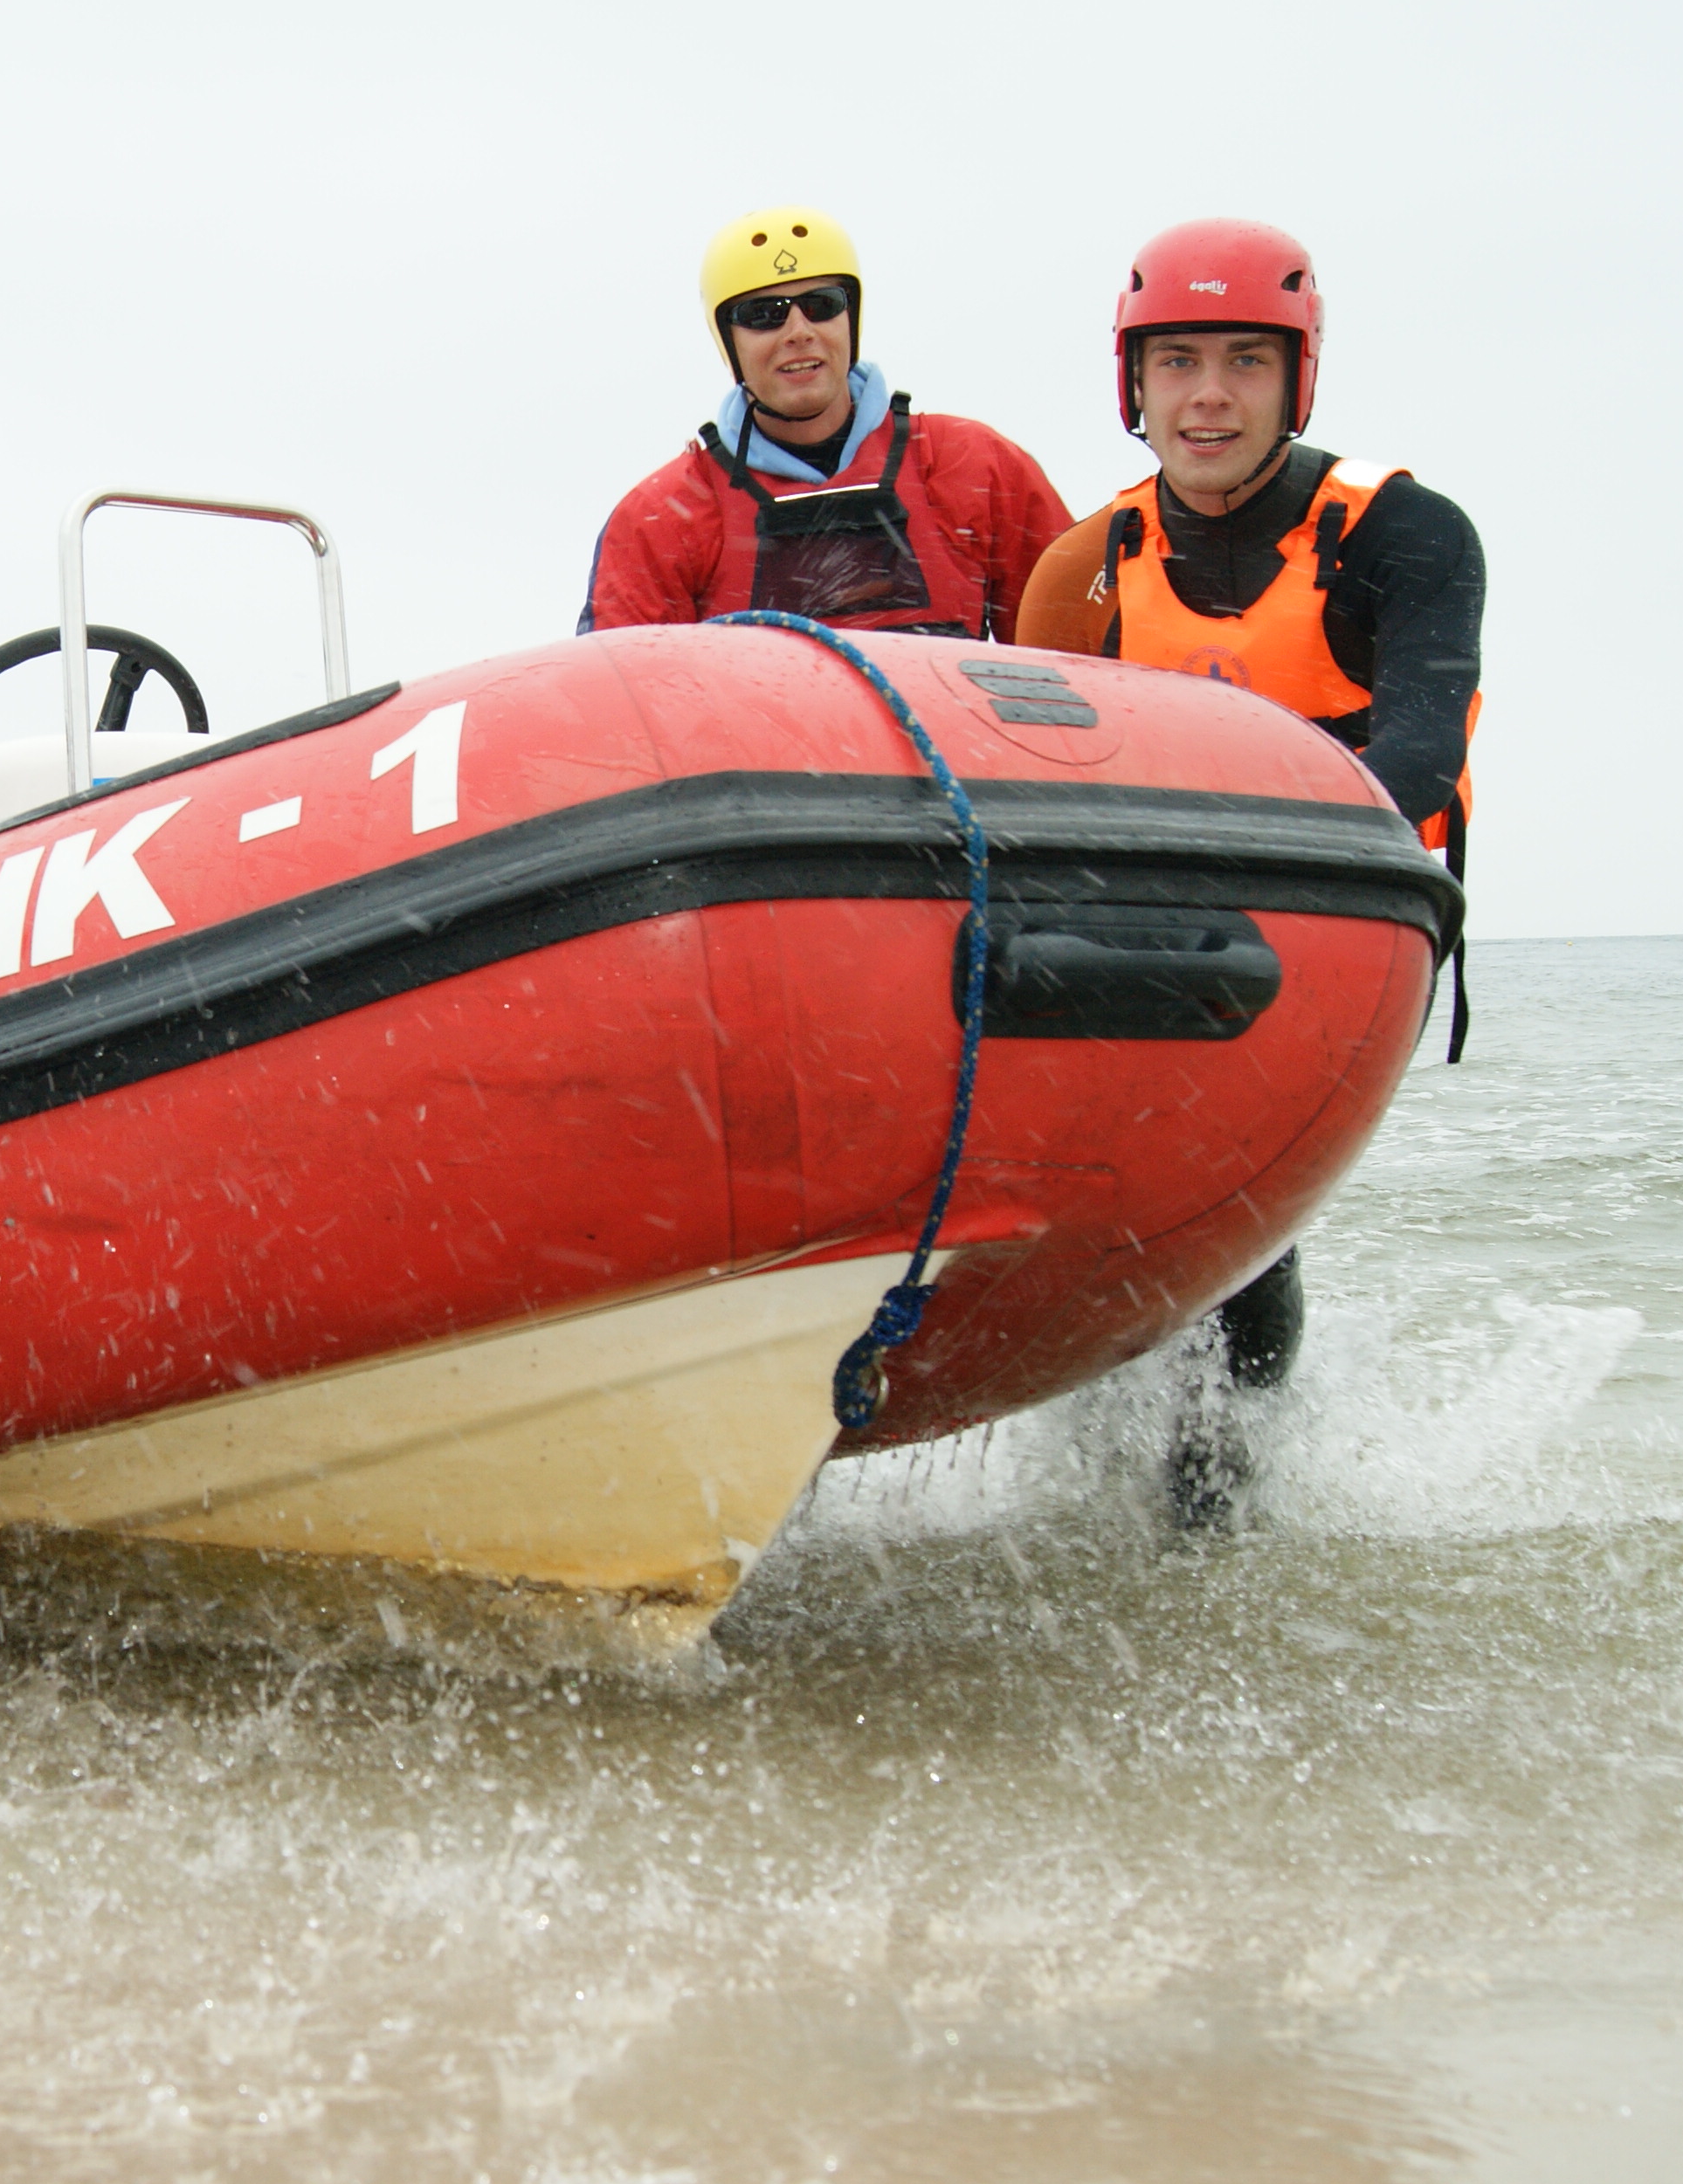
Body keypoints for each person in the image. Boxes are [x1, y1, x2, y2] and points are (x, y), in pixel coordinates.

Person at [1012, 217, 1485, 1521]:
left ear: (1298, 378)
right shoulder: (1086, 569)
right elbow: (1039, 793)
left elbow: (1421, 765)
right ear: (1134, 385)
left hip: (1346, 925)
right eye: (1174, 364)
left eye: (1241, 362)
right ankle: (1094, 1443)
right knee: (1099, 1189)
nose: (1207, 397)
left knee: (1228, 1202)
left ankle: (1222, 1490)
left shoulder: (1407, 536)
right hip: (1145, 927)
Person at [581, 205, 1074, 641]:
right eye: (764, 314)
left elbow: (1077, 662)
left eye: (822, 306)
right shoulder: (666, 521)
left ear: (850, 318)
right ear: (727, 340)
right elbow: (626, 711)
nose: (799, 332)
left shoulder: (972, 468)